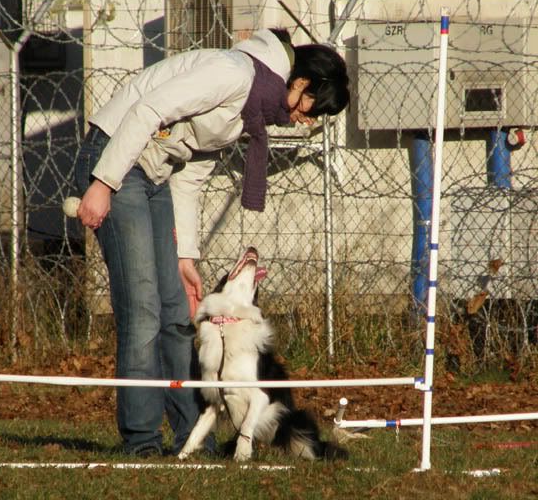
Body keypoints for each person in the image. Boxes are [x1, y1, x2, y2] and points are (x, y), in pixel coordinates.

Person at [73, 28, 350, 457]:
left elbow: (191, 176)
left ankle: (192, 441)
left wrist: (185, 258)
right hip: (116, 157)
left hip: (157, 174)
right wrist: (104, 183)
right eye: (316, 108)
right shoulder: (234, 73)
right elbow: (148, 110)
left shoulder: (249, 111)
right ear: (300, 83)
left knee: (177, 313)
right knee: (143, 309)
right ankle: (142, 442)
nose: (310, 120)